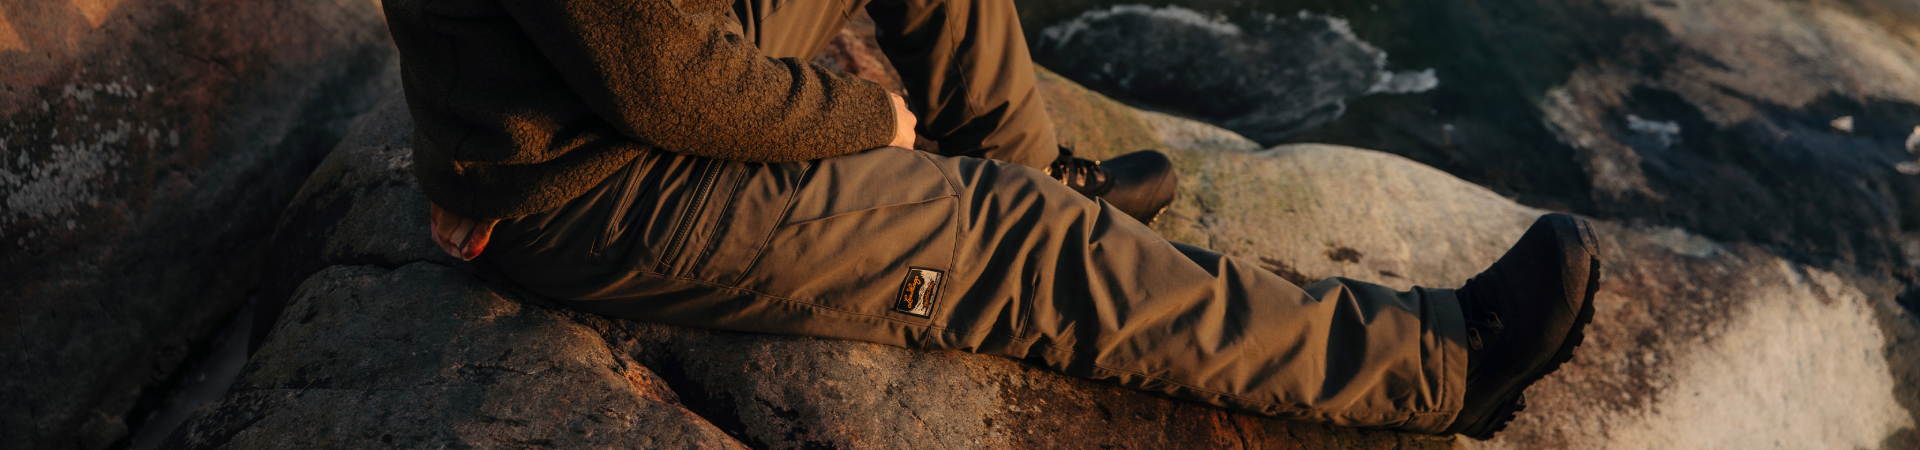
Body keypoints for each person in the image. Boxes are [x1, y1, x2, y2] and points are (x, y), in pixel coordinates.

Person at [383, 0, 1599, 439]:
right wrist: (863, 118)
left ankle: (1033, 171)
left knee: (1023, 191)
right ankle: (1438, 366)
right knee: (1014, 241)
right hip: (599, 187)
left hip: (627, 97)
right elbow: (665, 85)